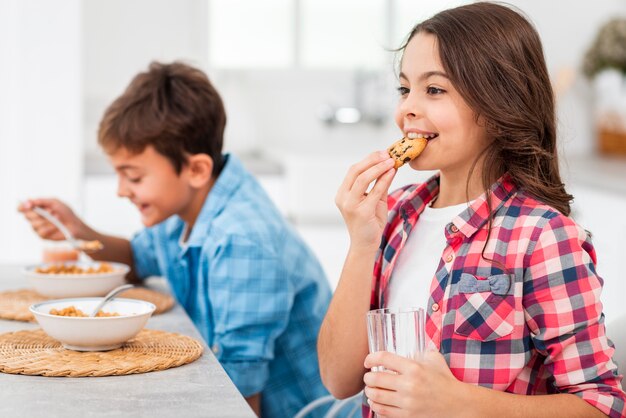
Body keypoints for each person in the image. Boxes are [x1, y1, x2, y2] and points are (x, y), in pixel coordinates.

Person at [318, 3, 625, 418]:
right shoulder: (396, 213)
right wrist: (361, 244)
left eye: (435, 89)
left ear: (498, 105)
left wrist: (459, 404)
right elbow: (339, 380)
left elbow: (602, 404)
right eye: (405, 88)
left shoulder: (541, 237)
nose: (407, 107)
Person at [20, 61, 332, 418]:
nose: (122, 191)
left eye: (134, 177)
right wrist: (78, 230)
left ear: (196, 169)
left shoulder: (241, 241)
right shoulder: (186, 208)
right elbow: (136, 260)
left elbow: (241, 394)